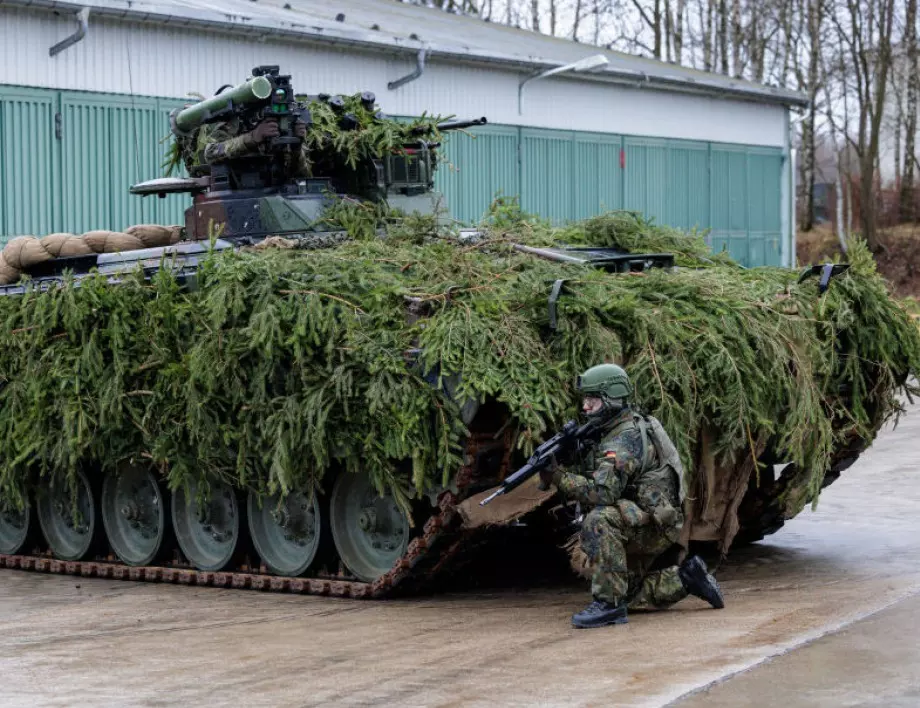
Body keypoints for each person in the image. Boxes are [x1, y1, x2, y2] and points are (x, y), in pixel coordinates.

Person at [542, 363, 725, 629]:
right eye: (585, 400)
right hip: (648, 514)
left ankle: (609, 607)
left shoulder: (623, 438)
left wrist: (557, 476)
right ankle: (687, 578)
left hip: (653, 523)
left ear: (610, 399)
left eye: (592, 400)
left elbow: (603, 492)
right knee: (626, 591)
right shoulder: (622, 425)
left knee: (599, 520)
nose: (585, 408)